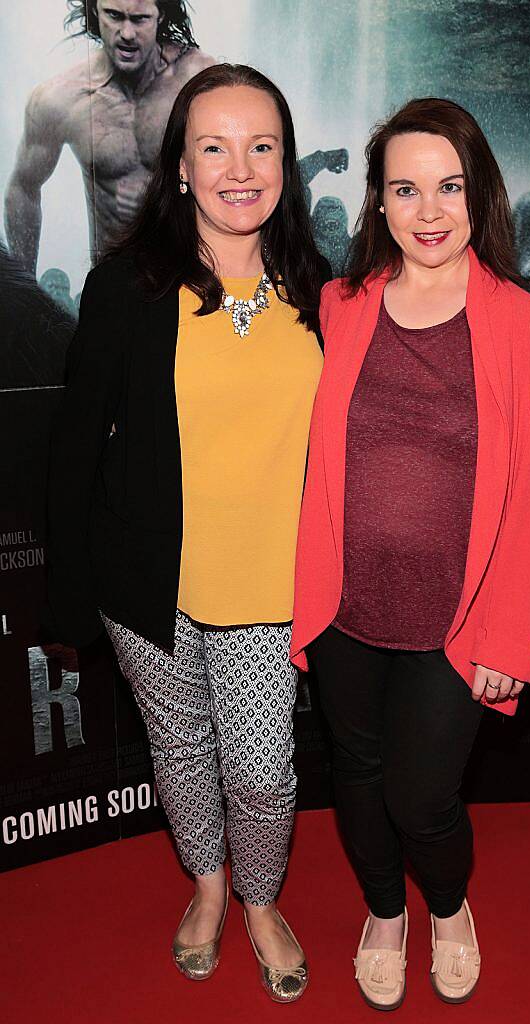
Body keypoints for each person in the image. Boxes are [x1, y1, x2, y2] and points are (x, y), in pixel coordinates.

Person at [45, 62, 329, 1001]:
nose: (239, 168)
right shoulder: (126, 288)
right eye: (214, 147)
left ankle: (260, 897)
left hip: (272, 589)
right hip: (150, 585)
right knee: (180, 748)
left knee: (261, 768)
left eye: (262, 146)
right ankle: (209, 890)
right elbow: (77, 445)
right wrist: (75, 592)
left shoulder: (318, 289)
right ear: (179, 167)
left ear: (286, 163)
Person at [290, 98, 530, 1010]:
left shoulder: (527, 326)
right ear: (376, 201)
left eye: (448, 186)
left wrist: (511, 642)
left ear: (477, 193)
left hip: (461, 620)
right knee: (358, 784)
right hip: (345, 612)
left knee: (421, 798)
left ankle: (446, 909)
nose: (429, 210)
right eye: (404, 189)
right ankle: (384, 914)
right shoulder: (339, 305)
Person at [5, 1, 215, 272]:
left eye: (139, 19)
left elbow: (238, 169)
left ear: (160, 15)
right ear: (95, 10)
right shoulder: (59, 100)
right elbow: (22, 189)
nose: (127, 33)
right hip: (112, 281)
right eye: (114, 16)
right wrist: (26, 292)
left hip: (188, 275)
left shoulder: (197, 80)